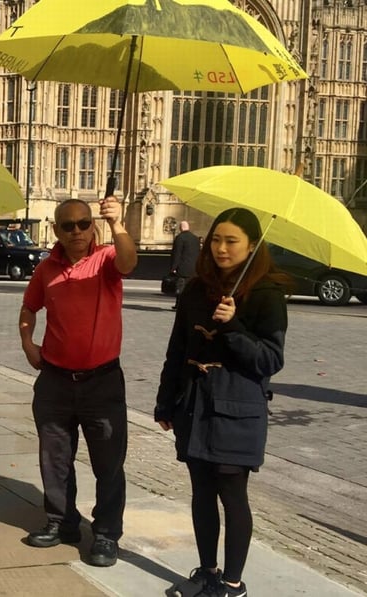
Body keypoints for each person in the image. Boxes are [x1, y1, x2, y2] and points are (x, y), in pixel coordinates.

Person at [155, 208, 289, 597]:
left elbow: (270, 360)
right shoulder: (197, 288)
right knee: (201, 493)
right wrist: (166, 401)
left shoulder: (266, 293)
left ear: (251, 246)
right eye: (216, 239)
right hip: (194, 403)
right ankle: (208, 571)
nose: (222, 248)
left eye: (231, 241)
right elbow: (177, 348)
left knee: (232, 495)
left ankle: (233, 583)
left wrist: (232, 326)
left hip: (237, 408)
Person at [18, 196, 137, 567]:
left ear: (93, 226)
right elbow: (28, 308)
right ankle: (61, 522)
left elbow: (130, 261)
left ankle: (105, 534)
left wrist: (118, 224)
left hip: (101, 381)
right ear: (56, 230)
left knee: (108, 462)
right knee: (54, 458)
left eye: (83, 223)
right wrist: (27, 341)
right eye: (68, 225)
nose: (76, 231)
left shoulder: (105, 261)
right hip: (54, 380)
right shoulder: (46, 268)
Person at [170, 220, 201, 308]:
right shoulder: (195, 238)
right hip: (193, 268)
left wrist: (173, 268)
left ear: (180, 228)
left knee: (180, 287)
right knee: (190, 287)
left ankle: (179, 304)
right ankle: (188, 304)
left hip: (183, 268)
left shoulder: (180, 238)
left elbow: (177, 254)